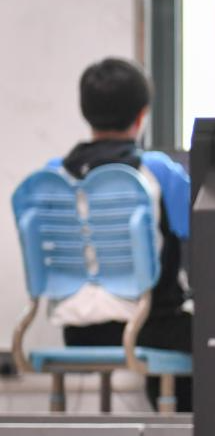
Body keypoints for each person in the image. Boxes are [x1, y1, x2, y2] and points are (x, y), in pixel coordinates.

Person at [46, 57, 192, 412]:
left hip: (77, 332)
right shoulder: (158, 171)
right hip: (147, 326)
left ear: (86, 113)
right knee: (214, 336)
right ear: (142, 115)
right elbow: (199, 230)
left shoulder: (52, 175)